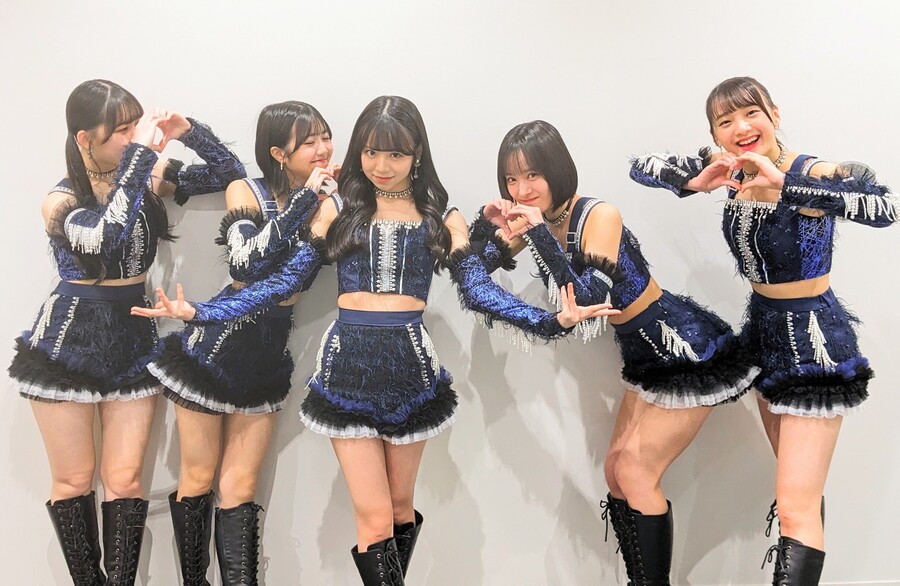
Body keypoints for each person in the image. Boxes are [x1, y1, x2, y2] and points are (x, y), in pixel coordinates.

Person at [133, 96, 616, 586]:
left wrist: (550, 322)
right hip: (346, 369)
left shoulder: (441, 216)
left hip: (412, 370)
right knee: (375, 517)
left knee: (401, 508)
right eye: (370, 153)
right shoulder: (336, 207)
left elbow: (479, 291)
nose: (381, 166)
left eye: (396, 154)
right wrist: (203, 312)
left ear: (417, 154)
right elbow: (284, 280)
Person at [629, 76, 896, 584]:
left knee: (795, 506)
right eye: (725, 121)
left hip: (814, 343)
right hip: (765, 335)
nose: (741, 128)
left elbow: (884, 206)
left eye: (751, 113)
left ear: (774, 113)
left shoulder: (809, 170)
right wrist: (695, 181)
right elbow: (640, 166)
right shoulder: (730, 167)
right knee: (798, 496)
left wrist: (784, 183)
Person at [471, 119, 758, 585]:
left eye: (532, 175)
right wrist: (488, 228)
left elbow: (590, 298)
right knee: (616, 472)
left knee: (636, 472)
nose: (522, 190)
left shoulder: (598, 215)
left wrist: (538, 235)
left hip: (680, 344)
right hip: (642, 356)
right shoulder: (537, 220)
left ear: (557, 170)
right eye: (511, 179)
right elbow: (474, 273)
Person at [7, 79, 245, 586]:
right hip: (66, 343)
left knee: (126, 480)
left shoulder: (147, 175)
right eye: (121, 131)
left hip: (134, 338)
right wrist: (142, 161)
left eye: (135, 127)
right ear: (83, 139)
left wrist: (189, 132)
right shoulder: (59, 200)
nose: (135, 138)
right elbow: (104, 238)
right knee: (74, 479)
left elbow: (230, 174)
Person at [146, 101, 337, 585]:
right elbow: (246, 263)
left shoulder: (332, 202)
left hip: (267, 354)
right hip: (214, 347)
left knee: (241, 486)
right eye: (308, 141)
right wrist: (303, 204)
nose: (322, 148)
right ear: (278, 153)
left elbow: (295, 278)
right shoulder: (245, 190)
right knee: (197, 478)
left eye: (325, 136)